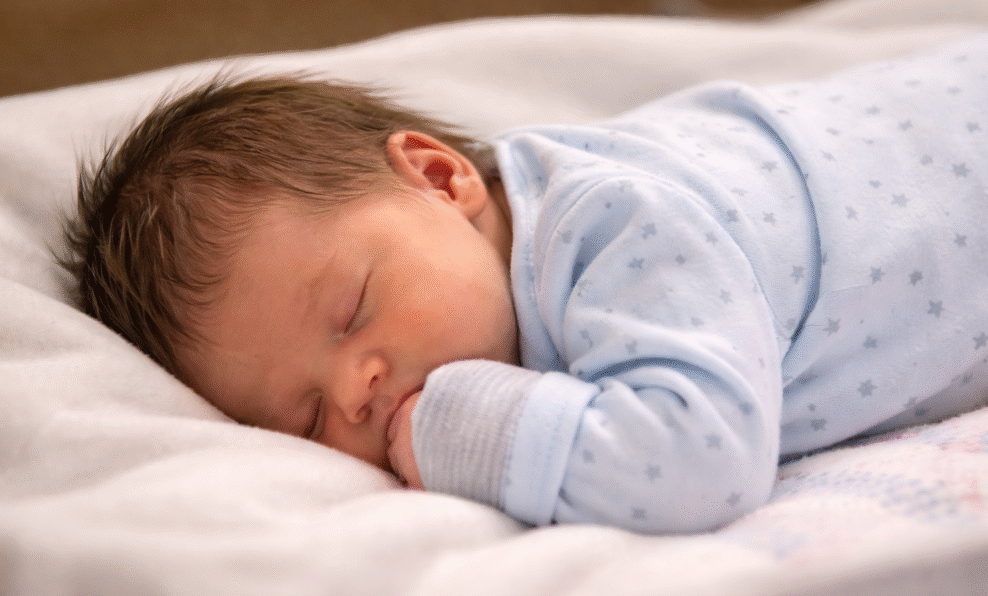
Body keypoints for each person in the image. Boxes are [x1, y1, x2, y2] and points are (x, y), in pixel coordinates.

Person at [63, 33, 988, 534]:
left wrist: (464, 427)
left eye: (351, 312)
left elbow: (699, 462)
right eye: (305, 417)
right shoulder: (506, 267)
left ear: (438, 178)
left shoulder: (612, 226)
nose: (355, 390)